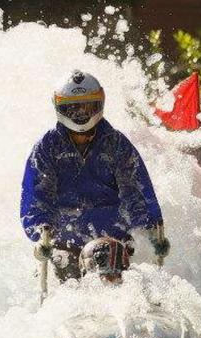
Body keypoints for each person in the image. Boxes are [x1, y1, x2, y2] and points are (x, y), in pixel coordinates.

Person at [20, 69, 170, 281]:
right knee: (64, 275)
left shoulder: (116, 143)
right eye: (72, 108)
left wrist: (151, 230)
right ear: (59, 107)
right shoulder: (47, 147)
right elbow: (37, 197)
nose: (80, 114)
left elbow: (136, 191)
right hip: (66, 241)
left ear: (99, 104)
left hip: (112, 241)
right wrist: (41, 234)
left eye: (87, 106)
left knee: (112, 265)